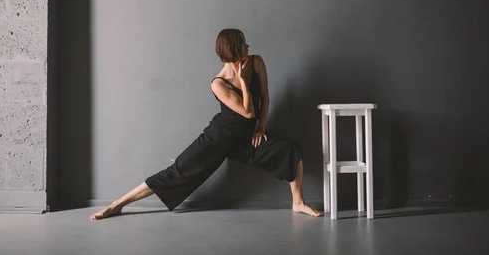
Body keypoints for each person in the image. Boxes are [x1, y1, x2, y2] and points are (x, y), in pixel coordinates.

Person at [91, 29, 322, 220]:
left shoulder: (256, 62)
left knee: (288, 149)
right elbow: (249, 111)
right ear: (233, 48)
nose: (248, 45)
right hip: (218, 138)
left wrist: (261, 129)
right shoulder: (218, 84)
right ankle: (118, 204)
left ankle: (298, 202)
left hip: (245, 138)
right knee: (176, 173)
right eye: (242, 43)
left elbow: (265, 97)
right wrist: (242, 81)